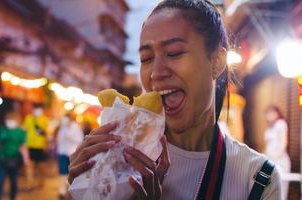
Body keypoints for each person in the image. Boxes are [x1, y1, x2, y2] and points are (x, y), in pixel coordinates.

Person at [68, 1, 281, 200]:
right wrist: (83, 189)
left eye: (174, 52)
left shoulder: (258, 179)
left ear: (216, 62)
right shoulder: (117, 157)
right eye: (146, 58)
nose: (156, 73)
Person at [0, 112, 29, 200]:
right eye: (8, 120)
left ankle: (13, 197)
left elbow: (23, 147)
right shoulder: (2, 130)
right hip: (3, 159)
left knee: (14, 183)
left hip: (15, 159)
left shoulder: (21, 132)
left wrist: (26, 160)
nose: (10, 122)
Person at [264, 106, 290, 200]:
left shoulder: (281, 124)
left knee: (281, 190)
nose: (267, 116)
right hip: (271, 160)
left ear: (276, 113)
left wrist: (276, 157)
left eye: (269, 113)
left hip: (280, 161)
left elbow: (284, 142)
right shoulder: (269, 126)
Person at [56, 114, 84, 199]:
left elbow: (80, 140)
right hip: (63, 153)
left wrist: (71, 138)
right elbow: (59, 139)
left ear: (69, 119)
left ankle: (71, 191)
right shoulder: (62, 128)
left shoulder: (76, 127)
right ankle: (62, 191)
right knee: (62, 172)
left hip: (72, 153)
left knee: (72, 172)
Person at [23, 104, 49, 189]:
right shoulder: (28, 118)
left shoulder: (45, 119)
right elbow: (25, 130)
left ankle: (41, 182)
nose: (38, 111)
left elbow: (46, 133)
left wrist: (47, 145)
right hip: (30, 145)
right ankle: (30, 183)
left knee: (41, 166)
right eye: (36, 109)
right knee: (30, 166)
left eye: (39, 109)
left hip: (41, 146)